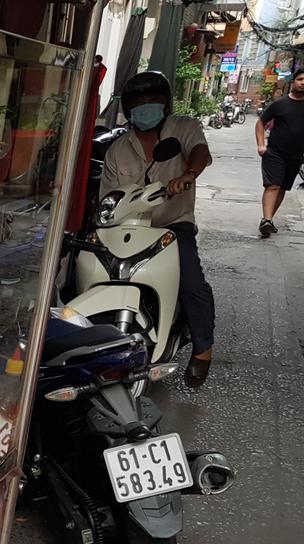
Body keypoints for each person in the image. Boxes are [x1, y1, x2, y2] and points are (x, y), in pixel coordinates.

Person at [101, 70, 216, 388]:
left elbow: (200, 152)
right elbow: (108, 199)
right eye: (141, 103)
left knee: (192, 283)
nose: (148, 107)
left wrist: (189, 173)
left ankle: (203, 349)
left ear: (166, 105)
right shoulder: (117, 150)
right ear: (129, 108)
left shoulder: (185, 128)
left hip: (172, 224)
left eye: (155, 101)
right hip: (130, 227)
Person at [256, 69, 304, 237]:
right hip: (275, 152)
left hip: (296, 155)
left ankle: (269, 220)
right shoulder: (280, 104)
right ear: (293, 81)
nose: (302, 82)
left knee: (282, 188)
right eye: (300, 79)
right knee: (273, 185)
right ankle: (266, 220)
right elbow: (261, 122)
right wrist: (261, 145)